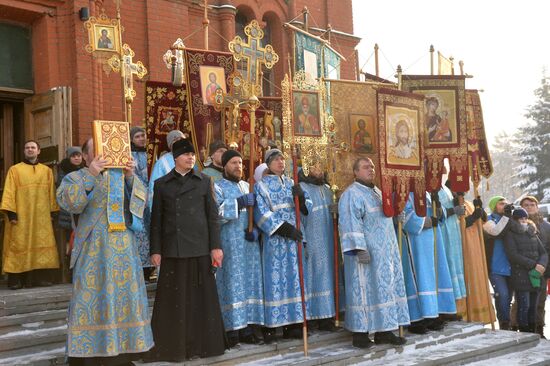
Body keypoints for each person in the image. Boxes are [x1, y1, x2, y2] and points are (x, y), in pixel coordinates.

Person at [57, 138, 153, 364]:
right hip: (93, 250)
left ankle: (123, 353)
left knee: (124, 301)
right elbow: (70, 203)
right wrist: (91, 174)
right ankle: (88, 356)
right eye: (98, 151)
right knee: (92, 300)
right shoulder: (76, 177)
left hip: (124, 252)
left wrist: (130, 176)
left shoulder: (122, 177)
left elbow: (143, 203)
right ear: (87, 156)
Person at [148, 138, 226, 361]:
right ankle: (175, 347)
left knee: (200, 302)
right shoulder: (162, 184)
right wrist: (156, 249)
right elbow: (156, 220)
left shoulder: (204, 181)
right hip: (173, 250)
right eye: (186, 155)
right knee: (175, 302)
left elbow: (213, 218)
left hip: (200, 250)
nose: (191, 158)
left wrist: (216, 247)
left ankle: (201, 346)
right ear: (175, 158)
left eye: (193, 155)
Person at [338, 157, 409, 348]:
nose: (371, 170)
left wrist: (397, 217)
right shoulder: (351, 194)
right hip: (365, 254)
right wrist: (359, 248)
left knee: (384, 291)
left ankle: (384, 331)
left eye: (372, 166)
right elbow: (349, 223)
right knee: (363, 291)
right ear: (355, 171)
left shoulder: (378, 192)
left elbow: (383, 218)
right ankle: (360, 334)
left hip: (385, 253)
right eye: (365, 167)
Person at [254, 148, 312, 343]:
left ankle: (294, 324)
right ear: (268, 163)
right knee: (275, 280)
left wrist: (302, 198)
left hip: (294, 239)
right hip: (276, 240)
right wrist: (284, 228)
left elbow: (306, 209)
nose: (281, 162)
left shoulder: (291, 183)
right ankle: (273, 325)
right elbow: (261, 213)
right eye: (276, 159)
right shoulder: (261, 186)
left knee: (295, 279)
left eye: (283, 159)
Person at [214, 150, 263, 347]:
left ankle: (248, 327)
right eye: (233, 163)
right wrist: (238, 203)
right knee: (232, 284)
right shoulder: (217, 187)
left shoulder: (247, 186)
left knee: (249, 283)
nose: (238, 166)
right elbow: (215, 214)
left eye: (240, 163)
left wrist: (257, 230)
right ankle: (232, 329)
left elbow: (259, 213)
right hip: (229, 244)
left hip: (248, 245)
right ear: (224, 165)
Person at [1, 140, 59, 290]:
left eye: (33, 147)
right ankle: (16, 280)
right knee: (19, 244)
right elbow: (9, 192)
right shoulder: (15, 170)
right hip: (21, 215)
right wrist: (12, 214)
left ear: (39, 151)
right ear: (24, 151)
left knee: (40, 243)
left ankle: (39, 279)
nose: (30, 150)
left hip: (42, 216)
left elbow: (51, 193)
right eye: (27, 148)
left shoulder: (46, 171)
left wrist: (53, 212)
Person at [401, 191, 457, 333]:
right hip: (416, 241)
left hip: (433, 238)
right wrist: (424, 222)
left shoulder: (425, 192)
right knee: (419, 276)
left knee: (435, 276)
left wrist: (437, 204)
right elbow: (402, 214)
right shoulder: (404, 191)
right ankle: (417, 318)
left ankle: (432, 314)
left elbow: (439, 215)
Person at [298, 165, 338, 331]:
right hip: (312, 239)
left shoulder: (330, 189)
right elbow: (298, 215)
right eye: (314, 165)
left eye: (322, 165)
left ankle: (329, 317)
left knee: (330, 275)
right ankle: (312, 317)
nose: (319, 169)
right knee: (313, 276)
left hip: (329, 239)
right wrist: (303, 240)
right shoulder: (302, 188)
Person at [504, 208, 547, 333]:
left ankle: (533, 331)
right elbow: (512, 254)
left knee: (533, 306)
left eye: (524, 218)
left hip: (536, 275)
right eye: (520, 219)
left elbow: (543, 252)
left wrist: (542, 264)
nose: (523, 221)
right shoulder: (510, 233)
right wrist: (534, 264)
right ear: (515, 220)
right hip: (520, 274)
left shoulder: (531, 231)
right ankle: (524, 331)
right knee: (524, 306)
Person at [457, 195, 496, 324]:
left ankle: (480, 316)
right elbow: (455, 226)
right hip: (462, 247)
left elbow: (483, 222)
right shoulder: (452, 204)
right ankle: (464, 315)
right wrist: (472, 217)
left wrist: (480, 209)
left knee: (477, 280)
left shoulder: (468, 203)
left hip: (476, 248)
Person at [483, 196, 517, 330]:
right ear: (493, 206)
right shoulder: (488, 219)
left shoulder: (510, 219)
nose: (504, 205)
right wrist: (507, 216)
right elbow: (497, 232)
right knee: (502, 295)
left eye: (506, 204)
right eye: (501, 203)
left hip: (511, 265)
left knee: (508, 297)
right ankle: (504, 323)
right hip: (496, 266)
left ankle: (506, 320)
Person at [520, 196, 550, 337]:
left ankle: (539, 329)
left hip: (541, 270)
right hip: (522, 269)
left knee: (540, 302)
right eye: (526, 205)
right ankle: (519, 328)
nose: (529, 207)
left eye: (532, 204)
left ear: (537, 207)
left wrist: (544, 267)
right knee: (522, 302)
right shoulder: (515, 225)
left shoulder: (546, 226)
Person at [437, 183, 467, 318]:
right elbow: (435, 211)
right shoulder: (430, 187)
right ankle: (443, 309)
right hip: (442, 233)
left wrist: (457, 200)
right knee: (445, 268)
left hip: (452, 232)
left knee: (453, 266)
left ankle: (450, 307)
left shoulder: (444, 187)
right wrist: (453, 210)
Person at [130, 126, 155, 282]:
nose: (141, 139)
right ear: (131, 139)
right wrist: (141, 191)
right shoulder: (129, 155)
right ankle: (141, 269)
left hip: (152, 197)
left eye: (143, 135)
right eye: (138, 136)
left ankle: (152, 268)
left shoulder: (151, 154)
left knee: (152, 232)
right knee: (140, 234)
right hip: (137, 196)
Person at [57, 146, 84, 261]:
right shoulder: (64, 169)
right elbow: (63, 189)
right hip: (69, 209)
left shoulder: (86, 169)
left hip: (82, 207)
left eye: (79, 156)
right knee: (70, 239)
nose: (77, 158)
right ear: (69, 158)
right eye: (74, 156)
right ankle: (69, 265)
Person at [147, 130, 185, 211]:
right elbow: (154, 187)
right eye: (175, 140)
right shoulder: (162, 162)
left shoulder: (192, 159)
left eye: (181, 139)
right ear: (170, 144)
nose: (179, 142)